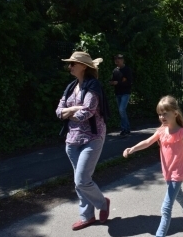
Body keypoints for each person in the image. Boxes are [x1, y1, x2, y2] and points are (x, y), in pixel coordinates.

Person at [122, 95, 183, 236]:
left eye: (165, 113)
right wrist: (132, 148)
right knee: (179, 196)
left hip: (177, 173)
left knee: (166, 209)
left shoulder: (182, 133)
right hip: (167, 171)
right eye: (160, 114)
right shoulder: (161, 131)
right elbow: (148, 142)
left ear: (175, 113)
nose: (162, 117)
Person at [56, 51, 110, 231]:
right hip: (72, 140)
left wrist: (70, 111)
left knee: (81, 180)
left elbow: (86, 112)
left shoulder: (93, 85)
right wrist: (75, 108)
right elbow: (58, 112)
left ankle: (102, 203)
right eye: (69, 63)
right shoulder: (71, 87)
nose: (69, 66)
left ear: (84, 67)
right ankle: (87, 216)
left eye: (73, 63)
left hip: (92, 137)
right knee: (80, 180)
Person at [110, 54, 133, 136]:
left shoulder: (127, 69)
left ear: (123, 60)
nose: (117, 61)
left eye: (118, 59)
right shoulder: (115, 71)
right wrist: (112, 83)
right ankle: (125, 129)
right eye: (115, 59)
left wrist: (118, 83)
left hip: (125, 93)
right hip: (118, 93)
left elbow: (129, 82)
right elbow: (112, 80)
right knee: (121, 111)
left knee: (121, 110)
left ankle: (125, 128)